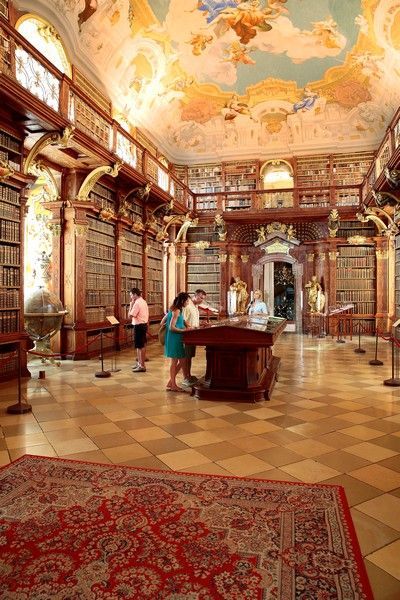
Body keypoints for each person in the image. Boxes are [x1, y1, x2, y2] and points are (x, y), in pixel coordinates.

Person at [164, 292, 191, 392]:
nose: (188, 303)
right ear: (183, 301)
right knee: (174, 361)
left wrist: (186, 325)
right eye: (187, 301)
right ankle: (173, 385)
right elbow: (171, 327)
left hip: (177, 338)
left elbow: (164, 321)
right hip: (174, 338)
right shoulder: (176, 311)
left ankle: (171, 382)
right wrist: (184, 330)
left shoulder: (176, 309)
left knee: (182, 361)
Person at [182, 289, 207, 387]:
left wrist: (200, 324)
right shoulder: (188, 306)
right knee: (186, 357)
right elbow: (183, 320)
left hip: (193, 334)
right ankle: (186, 377)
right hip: (188, 335)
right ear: (195, 296)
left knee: (190, 356)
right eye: (201, 298)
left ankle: (189, 375)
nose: (202, 300)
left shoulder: (195, 306)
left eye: (203, 299)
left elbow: (193, 321)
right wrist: (191, 327)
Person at [128, 287, 149, 372]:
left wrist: (130, 306)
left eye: (131, 295)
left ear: (135, 294)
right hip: (143, 324)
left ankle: (142, 365)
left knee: (140, 346)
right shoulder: (143, 301)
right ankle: (139, 363)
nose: (131, 297)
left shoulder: (136, 303)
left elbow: (130, 315)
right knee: (140, 345)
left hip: (139, 326)